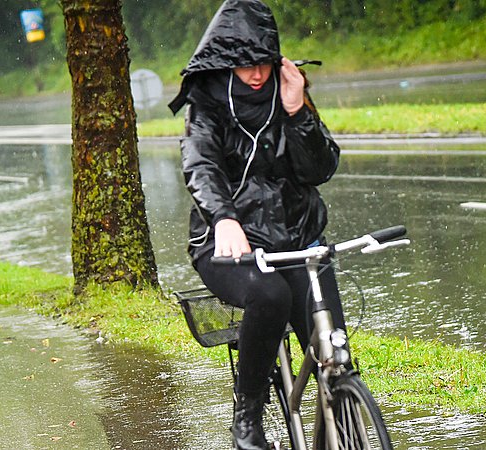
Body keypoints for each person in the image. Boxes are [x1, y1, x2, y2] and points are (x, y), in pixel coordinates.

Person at [168, 1, 345, 448]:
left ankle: (344, 421)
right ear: (225, 61)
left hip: (298, 240)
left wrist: (297, 109)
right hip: (227, 244)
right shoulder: (207, 103)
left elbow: (320, 168)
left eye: (262, 61)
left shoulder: (288, 92)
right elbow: (201, 164)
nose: (255, 73)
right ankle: (247, 412)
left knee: (332, 349)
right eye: (244, 63)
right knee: (270, 295)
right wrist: (224, 219)